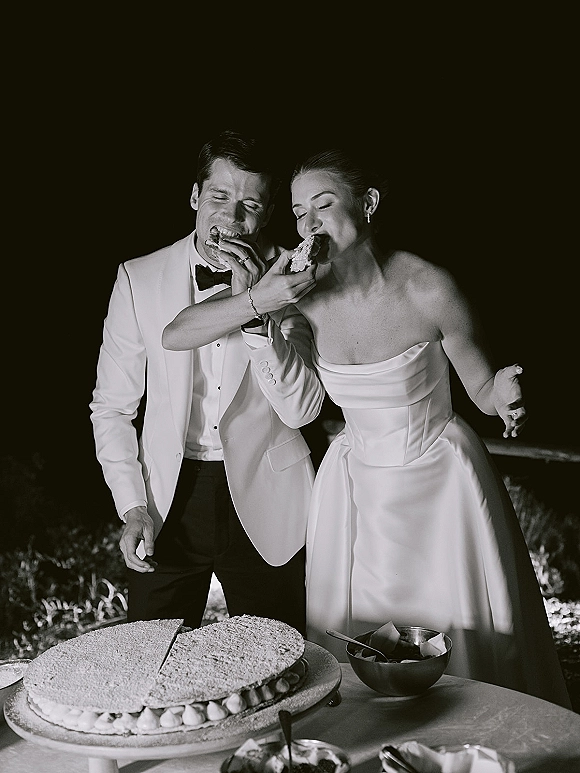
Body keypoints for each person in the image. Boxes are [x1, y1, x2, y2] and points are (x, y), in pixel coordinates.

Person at [163, 146, 571, 709]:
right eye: (299, 212)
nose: (308, 224)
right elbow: (294, 396)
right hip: (353, 492)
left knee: (463, 638)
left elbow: (479, 387)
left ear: (369, 203)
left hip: (441, 486)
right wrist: (255, 306)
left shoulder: (429, 287)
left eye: (322, 206)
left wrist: (501, 393)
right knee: (359, 646)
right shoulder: (302, 293)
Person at [89, 130, 325, 635]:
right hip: (168, 500)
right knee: (148, 666)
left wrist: (262, 317)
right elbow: (112, 407)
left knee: (277, 670)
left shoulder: (294, 276)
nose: (232, 218)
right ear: (195, 196)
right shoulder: (138, 277)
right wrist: (132, 505)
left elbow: (304, 410)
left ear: (266, 215)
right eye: (219, 196)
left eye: (251, 205)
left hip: (270, 493)